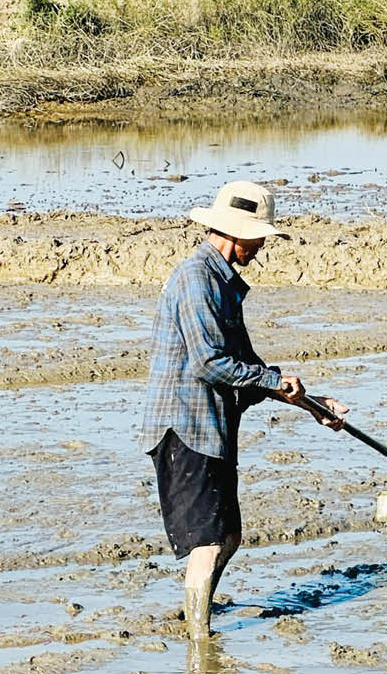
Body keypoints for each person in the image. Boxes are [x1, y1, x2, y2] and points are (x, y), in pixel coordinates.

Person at [140, 181, 349, 641]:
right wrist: (274, 382)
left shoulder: (223, 284)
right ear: (235, 233)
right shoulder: (196, 278)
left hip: (212, 424)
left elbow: (247, 368)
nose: (260, 248)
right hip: (186, 425)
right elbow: (210, 363)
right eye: (258, 238)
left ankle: (197, 620)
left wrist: (314, 404)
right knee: (210, 542)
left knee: (228, 536)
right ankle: (200, 643)